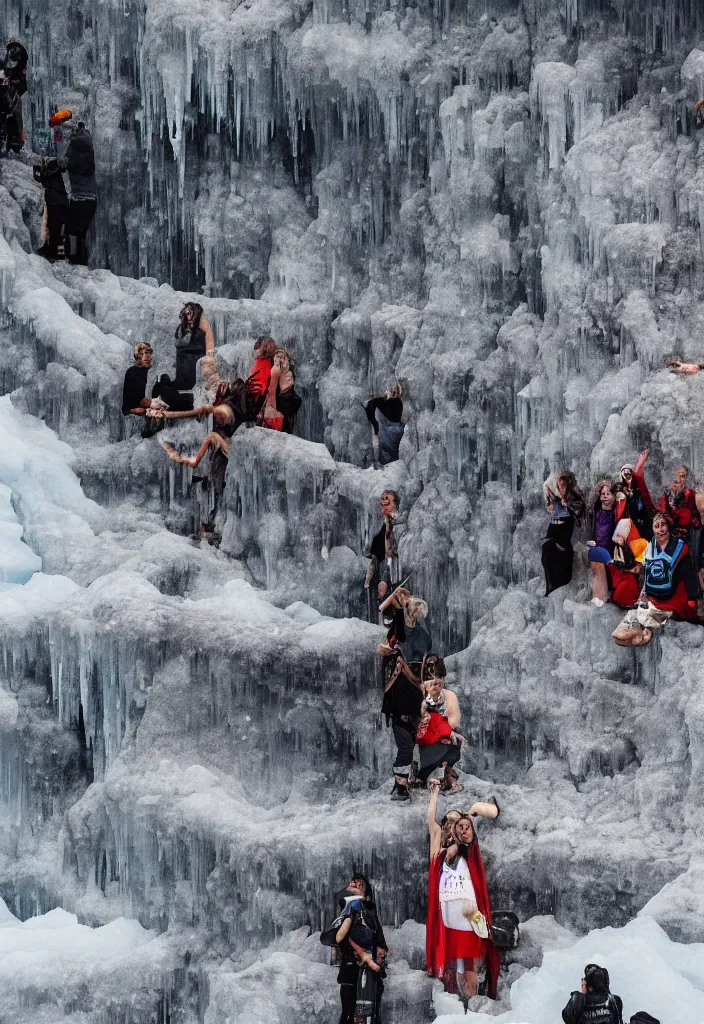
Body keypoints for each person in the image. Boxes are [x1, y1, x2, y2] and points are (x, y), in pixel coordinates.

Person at [426, 783, 500, 1003]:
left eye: (456, 823)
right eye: (448, 822)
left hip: (467, 911)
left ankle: (473, 998)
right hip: (449, 912)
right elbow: (431, 822)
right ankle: (458, 1000)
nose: (453, 826)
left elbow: (477, 822)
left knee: (467, 959)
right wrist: (435, 793)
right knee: (455, 959)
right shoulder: (438, 852)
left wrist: (474, 811)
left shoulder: (468, 849)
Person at [157, 337, 277, 467]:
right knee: (174, 396)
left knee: (174, 398)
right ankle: (164, 389)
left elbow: (256, 391)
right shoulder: (261, 365)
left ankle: (164, 391)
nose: (211, 369)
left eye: (211, 366)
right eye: (207, 367)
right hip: (222, 407)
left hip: (226, 408)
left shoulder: (262, 365)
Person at [612, 511, 702, 646]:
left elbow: (689, 574)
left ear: (668, 526)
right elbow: (646, 573)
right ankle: (642, 631)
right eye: (656, 526)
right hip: (653, 597)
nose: (660, 529)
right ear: (653, 529)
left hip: (674, 599)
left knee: (641, 621)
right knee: (620, 634)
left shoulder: (680, 547)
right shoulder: (651, 546)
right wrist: (643, 595)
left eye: (663, 525)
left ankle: (644, 632)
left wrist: (692, 598)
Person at [325, 874, 387, 1024]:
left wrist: (381, 948)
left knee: (371, 1012)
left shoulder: (370, 911)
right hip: (350, 967)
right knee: (349, 1012)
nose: (356, 886)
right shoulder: (346, 908)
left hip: (370, 970)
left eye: (361, 885)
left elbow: (378, 933)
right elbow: (337, 937)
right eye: (354, 884)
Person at [416, 655, 464, 793]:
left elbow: (455, 721)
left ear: (443, 681)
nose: (434, 686)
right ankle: (421, 775)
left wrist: (443, 728)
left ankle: (447, 775)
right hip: (421, 741)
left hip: (442, 738)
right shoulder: (417, 696)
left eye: (437, 682)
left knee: (454, 742)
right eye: (430, 682)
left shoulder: (449, 696)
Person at [541, 470, 586, 596]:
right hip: (557, 523)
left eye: (564, 484)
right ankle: (553, 583)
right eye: (560, 484)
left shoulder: (573, 494)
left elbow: (579, 507)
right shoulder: (553, 491)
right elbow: (548, 496)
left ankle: (562, 580)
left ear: (568, 484)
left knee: (561, 549)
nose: (561, 486)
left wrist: (568, 505)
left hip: (566, 523)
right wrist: (550, 501)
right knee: (548, 549)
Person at [62, 119, 97, 265]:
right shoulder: (89, 148)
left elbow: (62, 165)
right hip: (92, 200)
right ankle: (82, 262)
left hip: (77, 200)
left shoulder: (72, 151)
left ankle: (72, 261)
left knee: (69, 230)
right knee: (82, 233)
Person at [365, 490, 404, 617]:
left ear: (396, 504)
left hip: (398, 569)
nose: (385, 505)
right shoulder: (381, 527)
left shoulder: (399, 523)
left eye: (388, 502)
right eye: (383, 503)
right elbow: (376, 556)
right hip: (384, 569)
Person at [586, 480, 618, 607]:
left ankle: (608, 595)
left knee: (610, 573)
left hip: (610, 549)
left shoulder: (616, 513)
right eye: (603, 494)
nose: (605, 496)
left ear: (614, 497)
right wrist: (597, 489)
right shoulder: (596, 512)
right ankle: (598, 597)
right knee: (597, 570)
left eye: (608, 494)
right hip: (598, 546)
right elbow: (590, 504)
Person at [365, 383, 405, 466]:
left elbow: (373, 404)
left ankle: (387, 466)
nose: (393, 393)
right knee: (391, 453)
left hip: (391, 429)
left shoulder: (394, 403)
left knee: (388, 454)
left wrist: (375, 426)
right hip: (395, 428)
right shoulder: (397, 402)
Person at [263, 347, 301, 434]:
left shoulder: (294, 398)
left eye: (284, 357)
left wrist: (285, 391)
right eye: (277, 356)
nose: (281, 359)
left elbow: (294, 403)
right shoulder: (268, 377)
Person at [0, 40, 28, 152]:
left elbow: (22, 87)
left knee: (15, 110)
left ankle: (15, 139)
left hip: (9, 100)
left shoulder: (17, 72)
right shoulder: (5, 68)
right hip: (6, 99)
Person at [122, 344, 154, 415]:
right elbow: (141, 400)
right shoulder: (135, 372)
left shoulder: (141, 370)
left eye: (149, 353)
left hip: (135, 406)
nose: (150, 357)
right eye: (145, 353)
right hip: (133, 408)